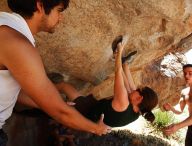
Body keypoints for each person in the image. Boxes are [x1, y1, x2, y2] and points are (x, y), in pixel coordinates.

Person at [0, 0, 110, 145]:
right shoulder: (18, 45)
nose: (61, 17)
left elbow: (13, 91)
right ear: (40, 6)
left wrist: (44, 103)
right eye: (59, 10)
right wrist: (96, 128)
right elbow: (60, 112)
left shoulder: (5, 25)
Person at [47, 37, 158, 127]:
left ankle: (45, 86)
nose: (136, 88)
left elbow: (118, 72)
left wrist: (119, 51)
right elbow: (130, 86)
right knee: (130, 90)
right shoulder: (138, 110)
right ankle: (125, 63)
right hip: (97, 110)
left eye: (139, 90)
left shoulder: (123, 103)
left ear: (140, 99)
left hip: (87, 114)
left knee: (64, 86)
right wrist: (124, 64)